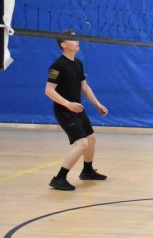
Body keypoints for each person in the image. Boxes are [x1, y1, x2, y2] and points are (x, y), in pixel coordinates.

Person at [45, 31, 108, 191]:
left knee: (91, 139)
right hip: (65, 111)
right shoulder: (57, 65)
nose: (77, 41)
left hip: (77, 109)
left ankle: (87, 171)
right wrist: (68, 104)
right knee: (82, 144)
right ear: (63, 45)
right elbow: (49, 91)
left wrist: (97, 104)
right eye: (72, 39)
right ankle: (59, 178)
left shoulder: (78, 63)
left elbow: (84, 87)